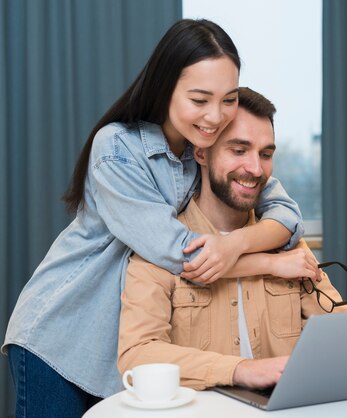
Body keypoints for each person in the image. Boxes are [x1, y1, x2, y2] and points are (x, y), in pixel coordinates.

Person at [2, 19, 311, 418]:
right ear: (165, 88)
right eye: (200, 100)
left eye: (228, 99)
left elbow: (286, 213)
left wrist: (234, 243)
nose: (216, 116)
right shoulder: (116, 147)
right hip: (63, 334)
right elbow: (179, 253)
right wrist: (271, 262)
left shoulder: (208, 146)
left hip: (125, 346)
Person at [117, 87, 347, 390]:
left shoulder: (286, 243)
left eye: (265, 154)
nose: (255, 169)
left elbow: (344, 335)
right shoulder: (160, 246)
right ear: (201, 152)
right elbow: (137, 356)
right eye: (238, 150)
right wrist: (241, 370)